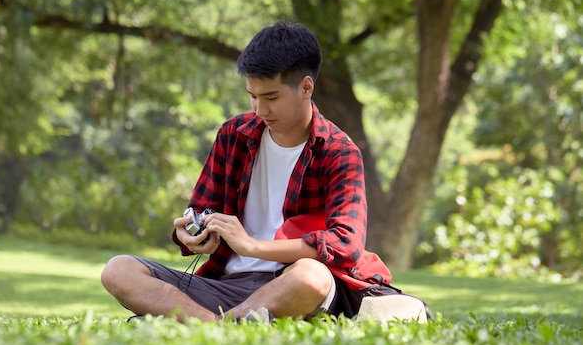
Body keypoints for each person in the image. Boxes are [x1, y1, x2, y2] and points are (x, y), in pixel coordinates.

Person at [101, 21, 426, 323]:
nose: (260, 109)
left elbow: (345, 244)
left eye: (271, 97)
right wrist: (191, 233)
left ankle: (194, 321)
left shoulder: (338, 152)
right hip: (224, 284)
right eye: (253, 97)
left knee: (309, 277)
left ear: (306, 87)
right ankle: (223, 325)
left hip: (289, 283)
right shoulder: (234, 134)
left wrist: (252, 246)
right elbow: (201, 208)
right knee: (119, 270)